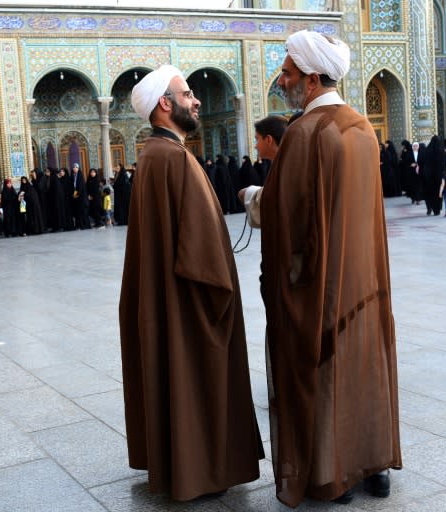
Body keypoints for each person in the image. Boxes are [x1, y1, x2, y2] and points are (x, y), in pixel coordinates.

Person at [259, 30, 401, 507]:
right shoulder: (362, 127)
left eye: (289, 73)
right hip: (366, 278)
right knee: (364, 369)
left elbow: (287, 214)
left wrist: (254, 202)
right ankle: (373, 466)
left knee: (320, 373)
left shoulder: (305, 132)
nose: (282, 81)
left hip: (321, 280)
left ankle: (331, 473)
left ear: (313, 77)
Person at [119, 64, 264, 501]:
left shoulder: (154, 156)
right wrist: (222, 294)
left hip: (170, 297)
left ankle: (182, 465)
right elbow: (203, 254)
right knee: (197, 380)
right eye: (186, 95)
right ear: (165, 105)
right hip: (189, 302)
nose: (196, 100)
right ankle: (201, 469)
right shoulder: (175, 159)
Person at [238, 115, 287, 227]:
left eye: (257, 139)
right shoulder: (279, 164)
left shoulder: (287, 167)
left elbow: (280, 201)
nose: (255, 146)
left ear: (269, 139)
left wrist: (248, 193)